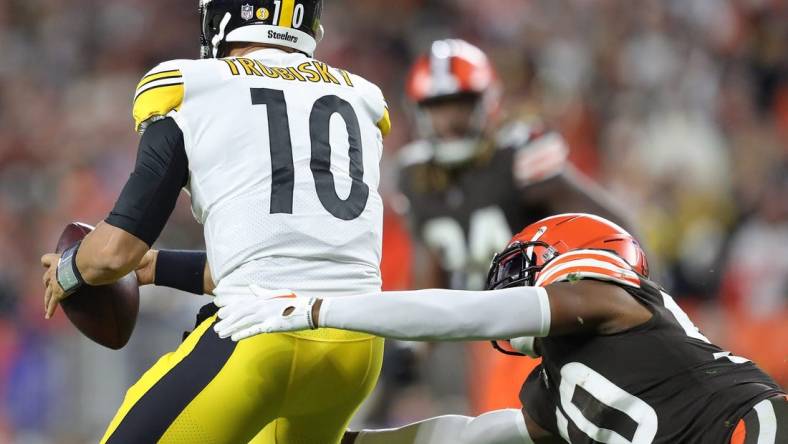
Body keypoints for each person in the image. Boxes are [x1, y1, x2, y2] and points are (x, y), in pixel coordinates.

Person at [39, 1, 391, 442]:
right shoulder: (361, 96)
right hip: (356, 348)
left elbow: (113, 252)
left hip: (263, 339)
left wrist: (71, 269)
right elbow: (287, 261)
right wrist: (156, 267)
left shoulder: (194, 86)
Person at [214, 213, 787, 444]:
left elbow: (464, 315)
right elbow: (467, 436)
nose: (510, 290)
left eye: (520, 272)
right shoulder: (551, 390)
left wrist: (317, 308)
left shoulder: (612, 300)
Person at [395, 38, 636, 413]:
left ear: (486, 103)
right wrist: (414, 343)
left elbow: (609, 225)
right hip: (478, 332)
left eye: (461, 105)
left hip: (536, 320)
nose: (450, 120)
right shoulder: (415, 175)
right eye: (438, 107)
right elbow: (430, 263)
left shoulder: (519, 155)